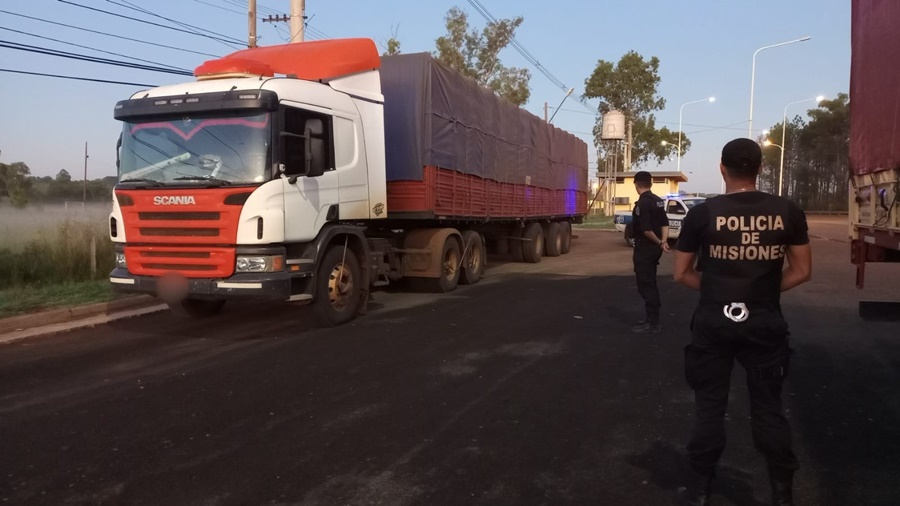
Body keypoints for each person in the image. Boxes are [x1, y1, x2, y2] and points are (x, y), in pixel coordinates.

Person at [673, 138, 812, 506]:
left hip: (713, 323)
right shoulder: (787, 211)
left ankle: (700, 488)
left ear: (722, 168)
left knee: (709, 408)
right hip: (765, 324)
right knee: (768, 410)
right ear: (760, 169)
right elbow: (802, 271)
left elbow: (681, 273)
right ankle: (783, 492)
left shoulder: (703, 213)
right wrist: (761, 293)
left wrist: (720, 292)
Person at [630, 170, 670, 333]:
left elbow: (646, 230)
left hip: (645, 248)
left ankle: (653, 322)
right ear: (651, 184)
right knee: (650, 282)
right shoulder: (658, 200)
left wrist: (659, 242)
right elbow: (665, 223)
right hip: (654, 249)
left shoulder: (643, 204)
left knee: (645, 284)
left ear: (636, 185)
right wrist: (664, 241)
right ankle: (651, 318)